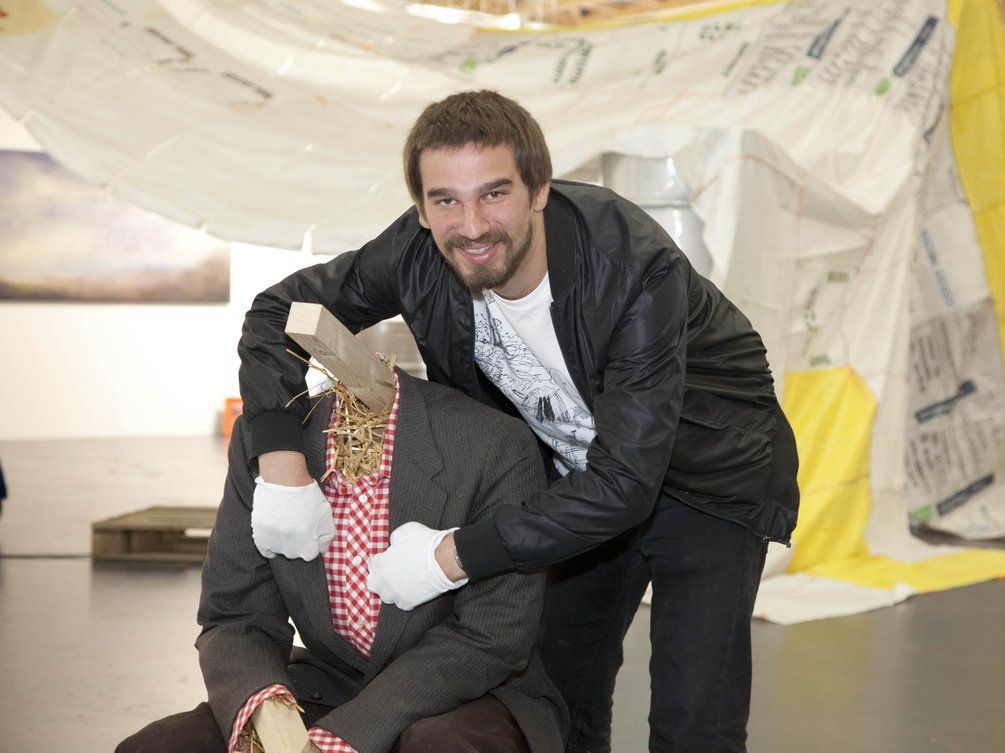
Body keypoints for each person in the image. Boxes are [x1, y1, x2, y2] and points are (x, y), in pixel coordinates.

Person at [240, 90, 799, 753]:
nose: (472, 225)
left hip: (707, 476)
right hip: (573, 481)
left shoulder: (632, 267)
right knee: (557, 700)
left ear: (539, 189)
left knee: (694, 720)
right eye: (446, 200)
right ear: (421, 209)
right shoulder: (415, 254)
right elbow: (278, 314)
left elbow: (627, 482)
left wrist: (451, 555)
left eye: (494, 193)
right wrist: (280, 463)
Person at [116, 369, 568, 753]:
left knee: (441, 746)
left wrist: (345, 736)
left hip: (469, 692)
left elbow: (492, 637)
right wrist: (267, 713)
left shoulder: (494, 442)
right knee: (159, 746)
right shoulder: (267, 448)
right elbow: (237, 615)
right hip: (331, 682)